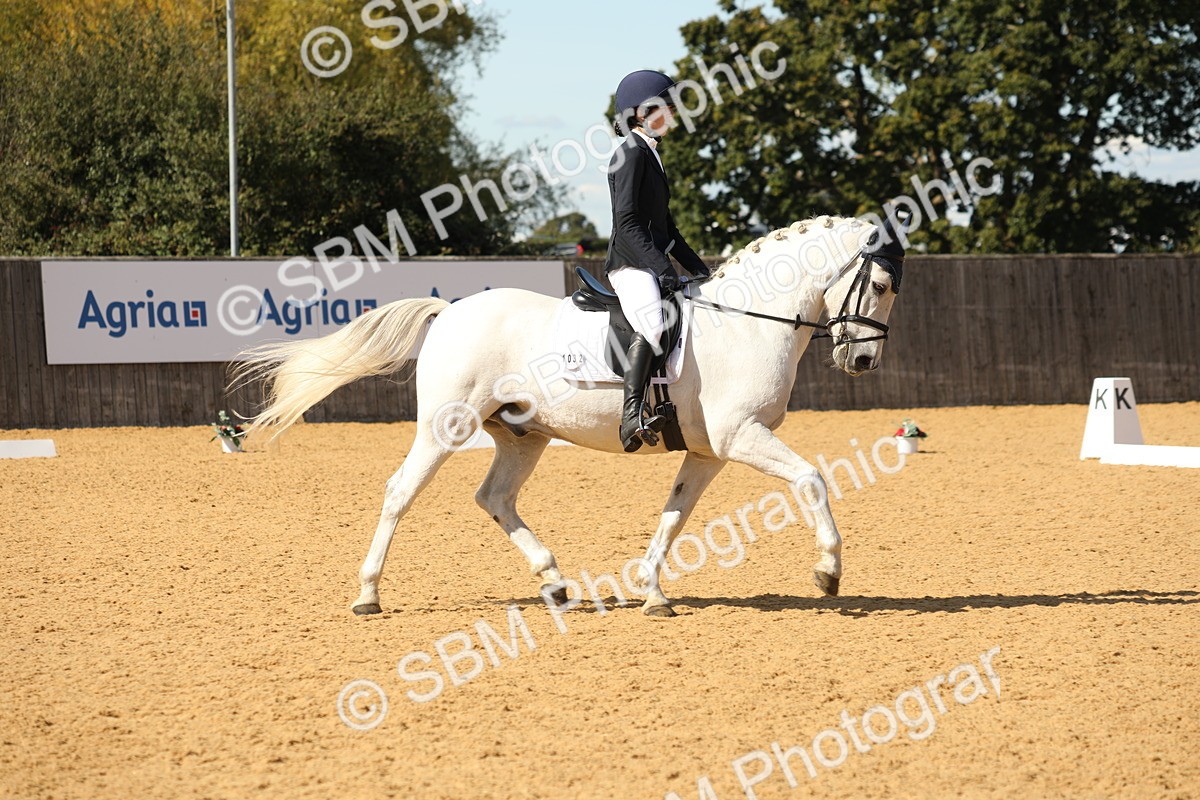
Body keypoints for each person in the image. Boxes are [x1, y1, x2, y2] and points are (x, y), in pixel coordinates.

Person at [605, 69, 711, 453]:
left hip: (647, 260)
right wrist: (663, 269)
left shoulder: (651, 154)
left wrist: (701, 270)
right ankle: (631, 417)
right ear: (641, 113)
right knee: (653, 324)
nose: (673, 114)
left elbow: (668, 229)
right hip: (629, 264)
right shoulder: (629, 154)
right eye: (666, 107)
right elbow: (628, 223)